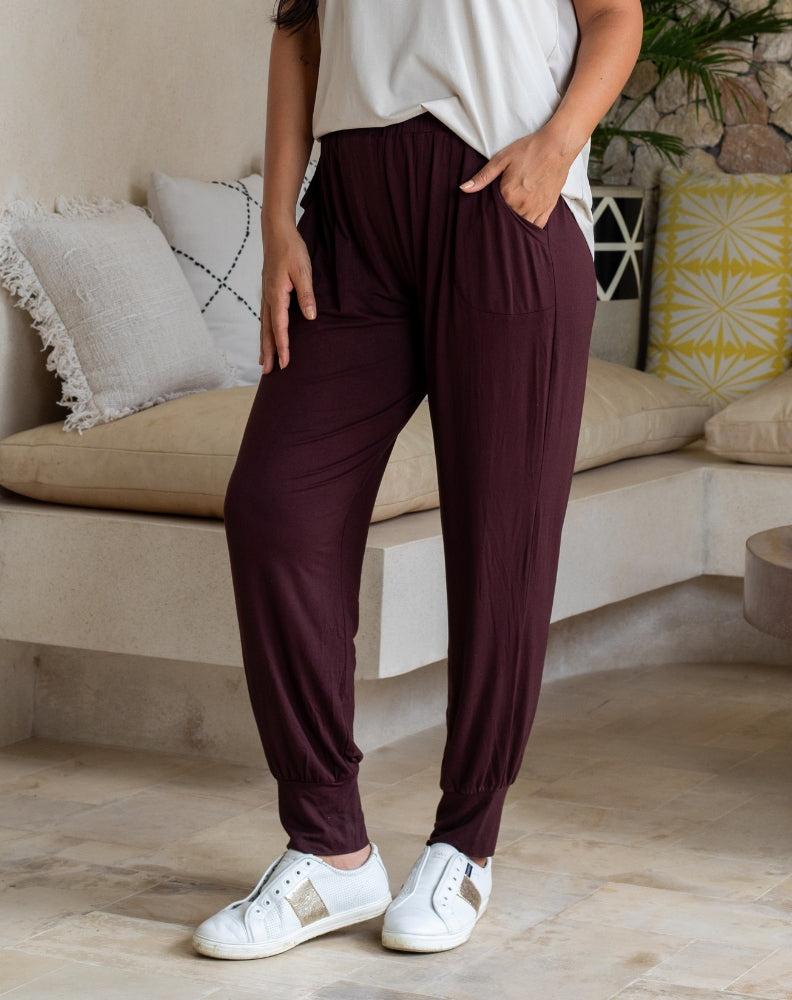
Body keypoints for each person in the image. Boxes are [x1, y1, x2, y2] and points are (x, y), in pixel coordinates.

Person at [193, 0, 643, 960]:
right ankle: (330, 848)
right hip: (351, 221)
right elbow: (296, 30)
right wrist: (279, 219)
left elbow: (615, 16)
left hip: (505, 204)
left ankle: (466, 841)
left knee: (500, 541)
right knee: (277, 506)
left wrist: (558, 147)